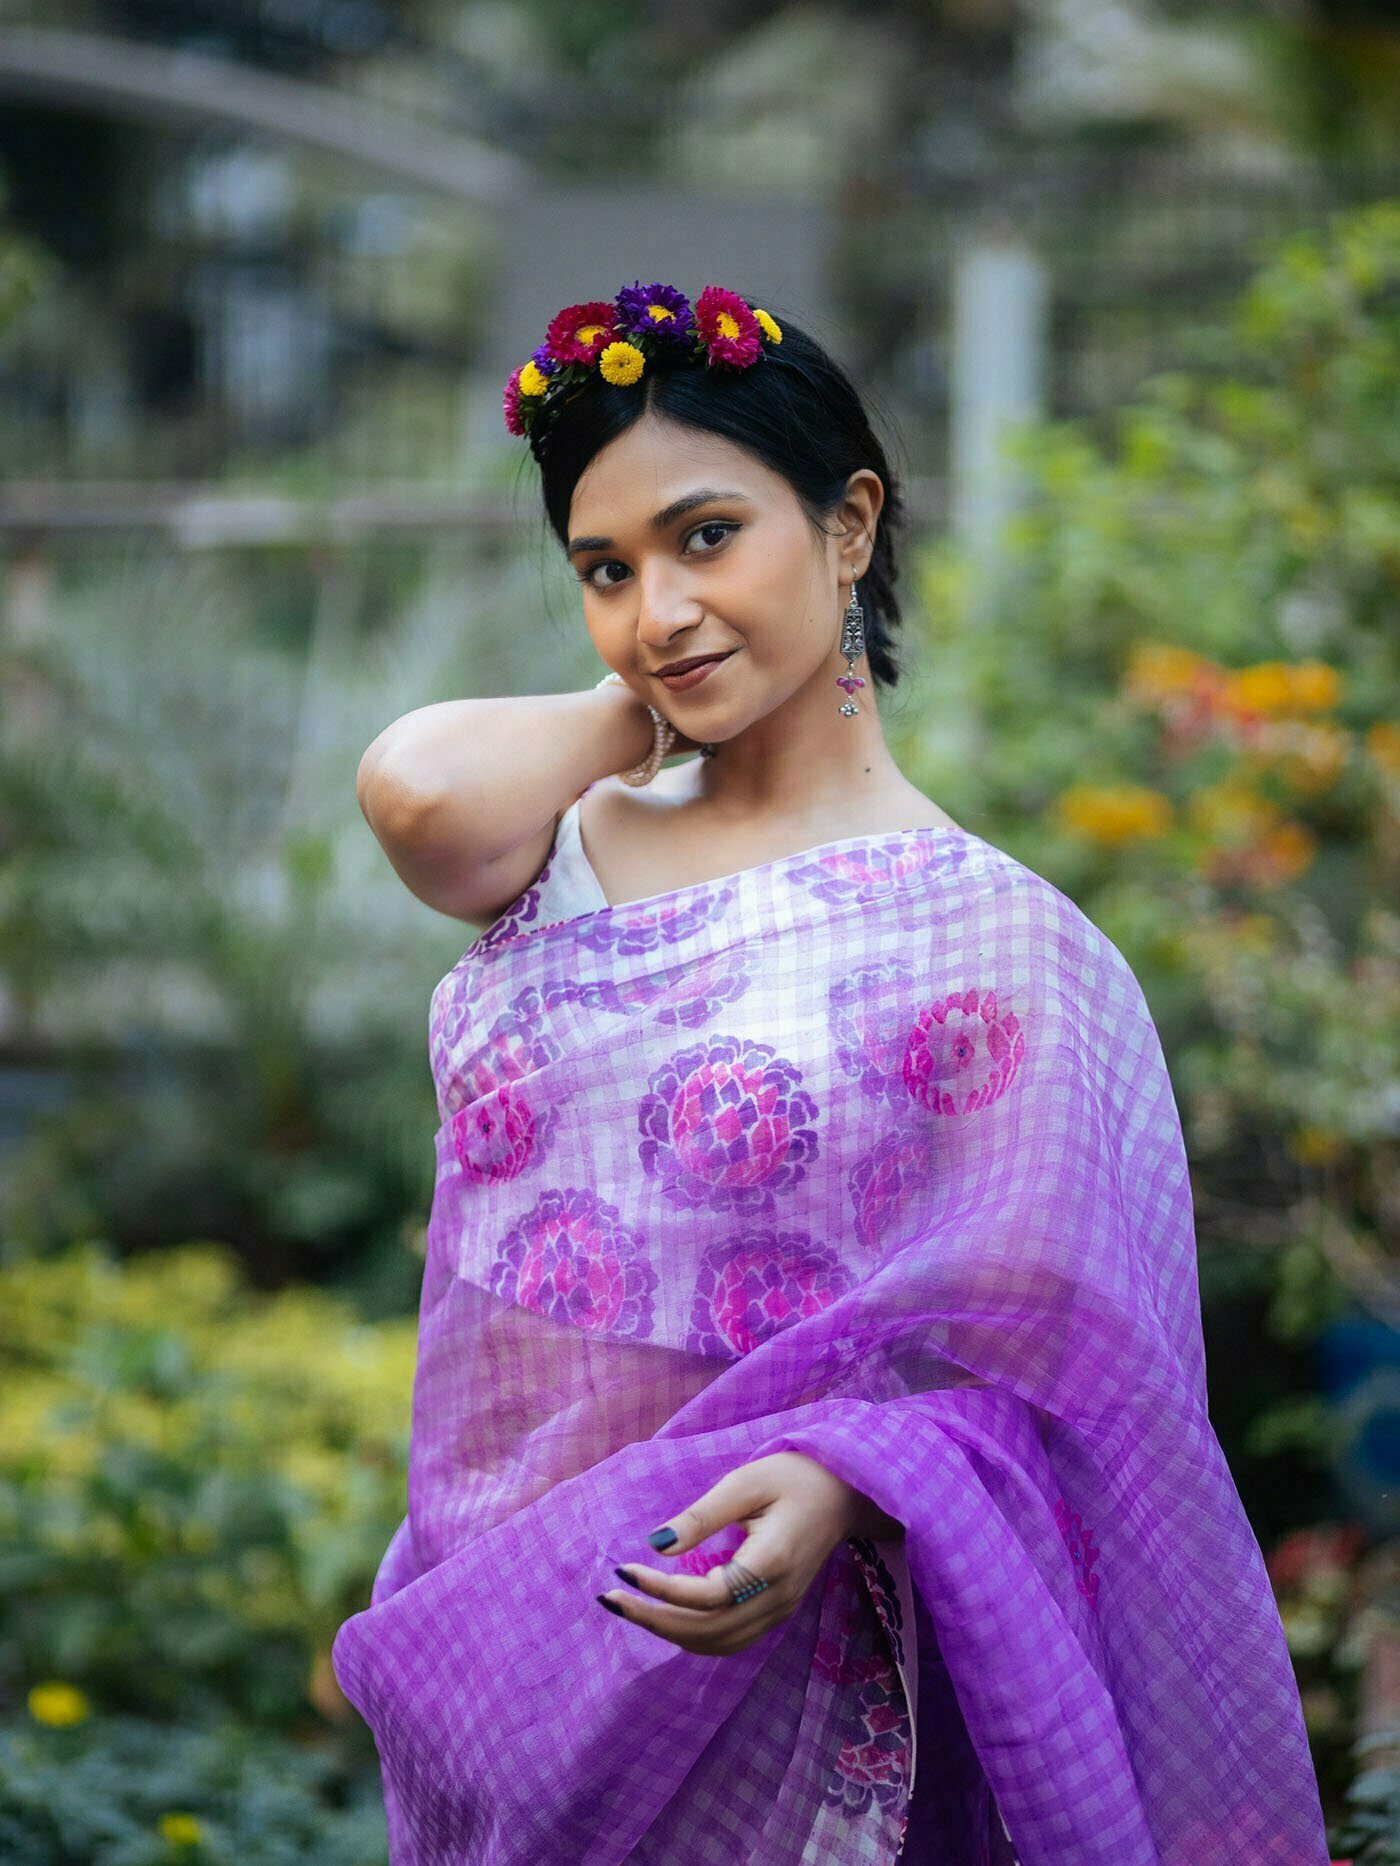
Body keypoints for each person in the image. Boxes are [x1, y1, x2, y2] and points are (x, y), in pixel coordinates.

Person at [332, 281, 1330, 1864]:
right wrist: (650, 698)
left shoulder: (993, 937)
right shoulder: (574, 842)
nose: (658, 606)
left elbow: (1070, 1365)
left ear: (849, 522)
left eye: (708, 535)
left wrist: (844, 1474)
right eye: (607, 568)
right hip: (509, 1626)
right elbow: (414, 792)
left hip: (793, 1666)